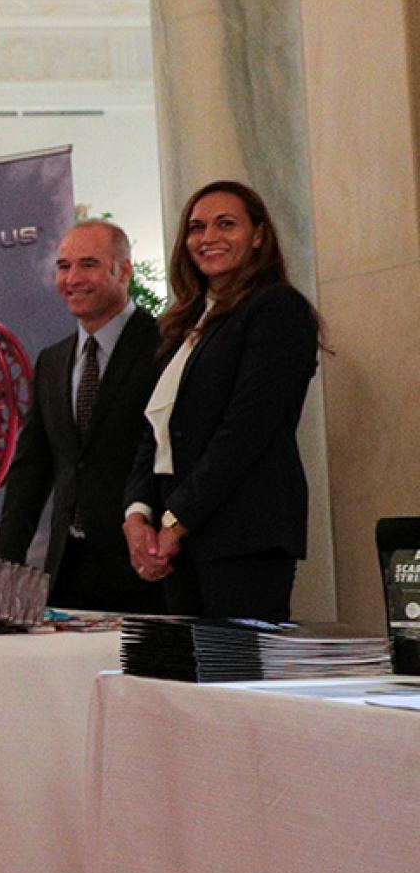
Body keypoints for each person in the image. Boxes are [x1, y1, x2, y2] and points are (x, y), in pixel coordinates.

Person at [124, 181, 323, 621]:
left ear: (258, 235)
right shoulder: (185, 323)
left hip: (243, 536)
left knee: (235, 684)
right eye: (196, 227)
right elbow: (153, 432)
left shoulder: (277, 308)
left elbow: (245, 432)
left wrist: (177, 521)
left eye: (225, 224)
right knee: (184, 686)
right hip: (179, 540)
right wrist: (137, 514)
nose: (207, 237)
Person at [0, 222, 164, 612]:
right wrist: (3, 568)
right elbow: (31, 471)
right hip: (68, 571)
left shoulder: (165, 346)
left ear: (124, 271)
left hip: (146, 570)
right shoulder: (52, 361)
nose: (72, 279)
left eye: (88, 265)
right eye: (63, 266)